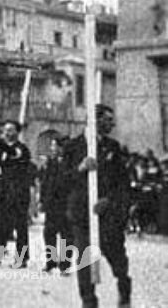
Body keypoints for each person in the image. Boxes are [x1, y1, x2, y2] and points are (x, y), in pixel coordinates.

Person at [65, 105, 132, 308]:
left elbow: (123, 182)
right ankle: (88, 300)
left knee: (117, 258)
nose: (112, 123)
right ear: (94, 121)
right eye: (108, 119)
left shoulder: (113, 147)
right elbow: (62, 180)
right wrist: (80, 168)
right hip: (83, 215)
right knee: (85, 260)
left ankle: (124, 291)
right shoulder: (73, 146)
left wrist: (109, 201)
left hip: (108, 215)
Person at [0, 120, 33, 268]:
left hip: (19, 192)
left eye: (10, 130)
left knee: (20, 226)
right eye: (5, 130)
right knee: (2, 223)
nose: (7, 133)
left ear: (17, 132)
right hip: (5, 190)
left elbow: (8, 150)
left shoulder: (21, 149)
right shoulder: (1, 151)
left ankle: (22, 258)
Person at [39, 136, 73, 274]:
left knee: (66, 235)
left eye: (54, 146)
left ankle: (65, 264)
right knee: (49, 234)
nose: (52, 149)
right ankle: (51, 262)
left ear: (61, 148)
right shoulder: (50, 163)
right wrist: (42, 200)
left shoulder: (70, 164)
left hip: (65, 205)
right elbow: (45, 183)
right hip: (51, 205)